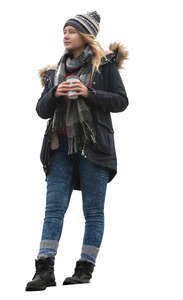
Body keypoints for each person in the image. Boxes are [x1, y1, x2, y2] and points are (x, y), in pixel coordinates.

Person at [25, 10, 129, 291]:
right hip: (59, 148)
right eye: (64, 31)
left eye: (71, 31)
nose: (65, 36)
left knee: (93, 211)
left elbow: (121, 101)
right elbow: (40, 110)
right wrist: (54, 93)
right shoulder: (54, 73)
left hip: (94, 148)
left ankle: (84, 270)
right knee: (53, 209)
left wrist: (88, 93)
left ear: (85, 36)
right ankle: (44, 271)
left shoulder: (104, 67)